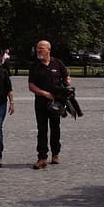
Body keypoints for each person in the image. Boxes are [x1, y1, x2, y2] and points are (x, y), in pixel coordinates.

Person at [28, 40, 71, 169]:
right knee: (42, 129)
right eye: (37, 48)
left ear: (48, 50)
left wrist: (66, 83)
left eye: (41, 48)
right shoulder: (35, 66)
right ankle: (42, 157)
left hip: (56, 102)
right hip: (41, 102)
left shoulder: (57, 63)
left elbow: (66, 77)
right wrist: (43, 93)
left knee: (55, 128)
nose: (38, 51)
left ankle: (55, 154)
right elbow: (31, 85)